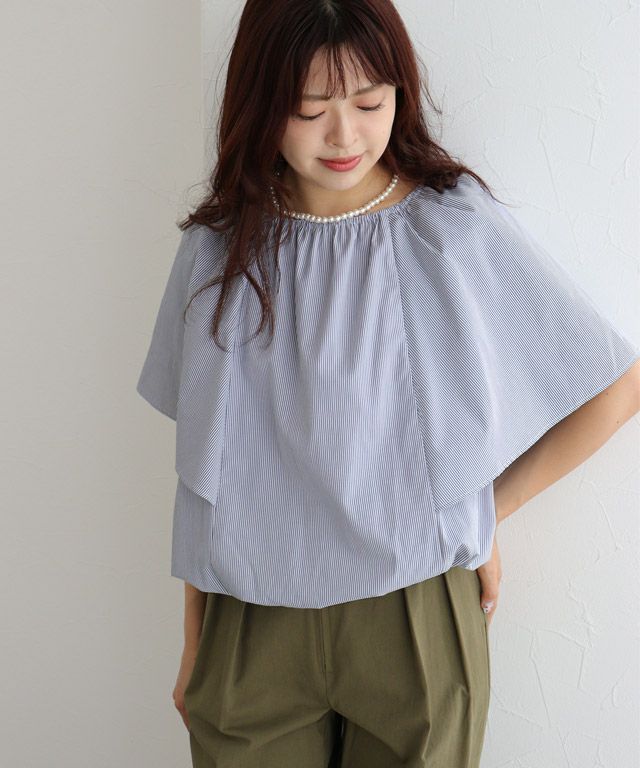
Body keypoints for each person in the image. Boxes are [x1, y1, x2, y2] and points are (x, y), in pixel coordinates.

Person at [135, 1, 640, 766]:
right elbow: (208, 471)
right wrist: (194, 640)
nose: (345, 135)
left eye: (370, 103)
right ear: (260, 103)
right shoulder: (218, 250)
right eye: (310, 110)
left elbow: (615, 385)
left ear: (401, 92)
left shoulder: (448, 228)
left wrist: (486, 513)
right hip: (249, 616)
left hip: (417, 612)